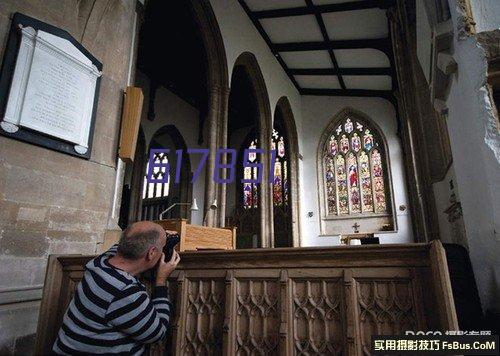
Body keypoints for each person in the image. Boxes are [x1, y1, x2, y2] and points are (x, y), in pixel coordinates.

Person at [52, 221, 181, 355]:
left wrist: (163, 236)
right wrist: (161, 281)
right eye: (162, 247)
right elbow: (157, 333)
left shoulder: (100, 262)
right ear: (152, 253)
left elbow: (126, 242)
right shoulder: (124, 291)